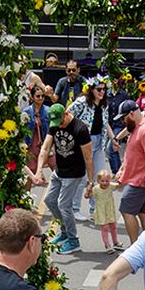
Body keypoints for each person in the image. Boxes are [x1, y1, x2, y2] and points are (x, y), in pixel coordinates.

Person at [35, 101, 92, 254]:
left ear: (66, 114)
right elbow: (45, 147)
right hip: (59, 171)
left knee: (64, 205)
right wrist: (39, 170)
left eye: (61, 122)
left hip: (74, 173)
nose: (59, 126)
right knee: (49, 200)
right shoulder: (54, 124)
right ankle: (65, 232)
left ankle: (74, 241)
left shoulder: (80, 129)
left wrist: (90, 182)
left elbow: (88, 157)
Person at [114, 99, 145, 244]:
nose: (122, 121)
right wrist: (123, 169)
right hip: (137, 178)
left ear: (132, 114)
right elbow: (131, 152)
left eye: (123, 118)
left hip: (140, 180)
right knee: (143, 212)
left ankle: (135, 245)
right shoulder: (136, 127)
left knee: (126, 210)